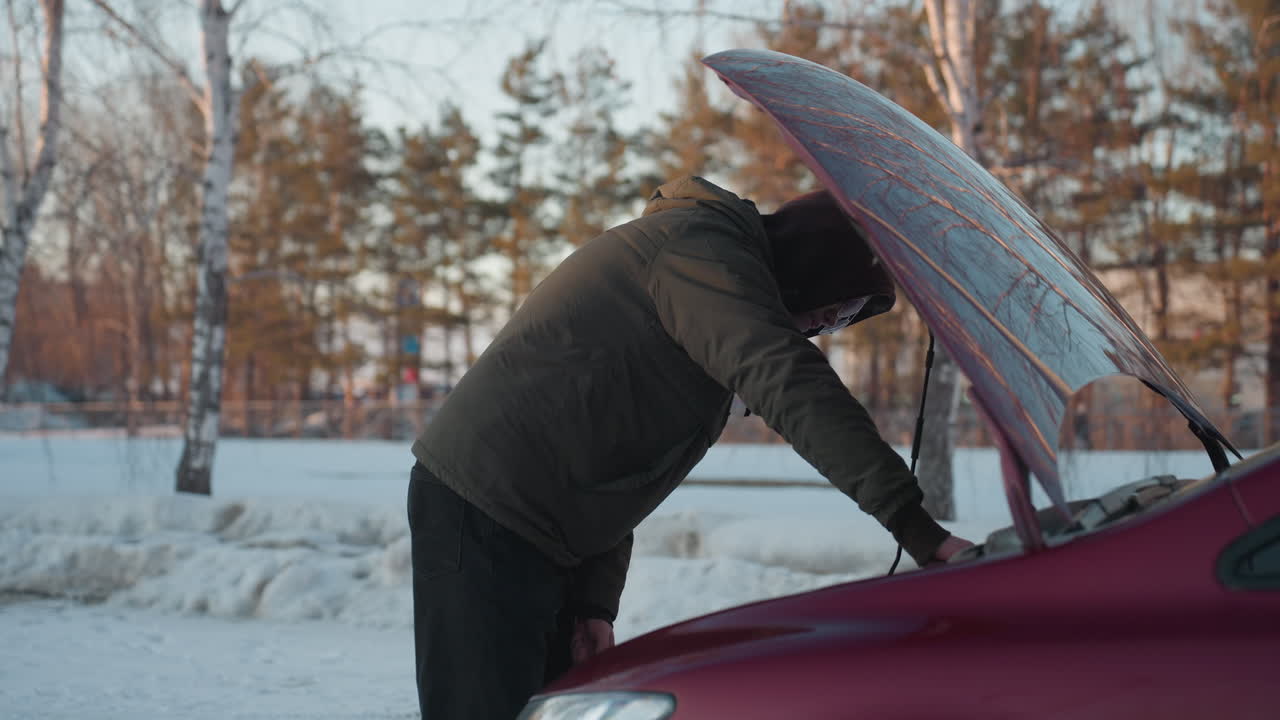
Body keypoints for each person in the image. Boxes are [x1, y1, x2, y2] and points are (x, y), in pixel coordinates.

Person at [406, 176, 973, 719]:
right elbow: (789, 382)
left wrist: (592, 602)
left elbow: (619, 459)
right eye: (844, 302)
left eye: (851, 317)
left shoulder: (711, 293)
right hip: (483, 506)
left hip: (545, 528)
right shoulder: (698, 255)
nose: (835, 321)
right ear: (812, 263)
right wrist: (918, 529)